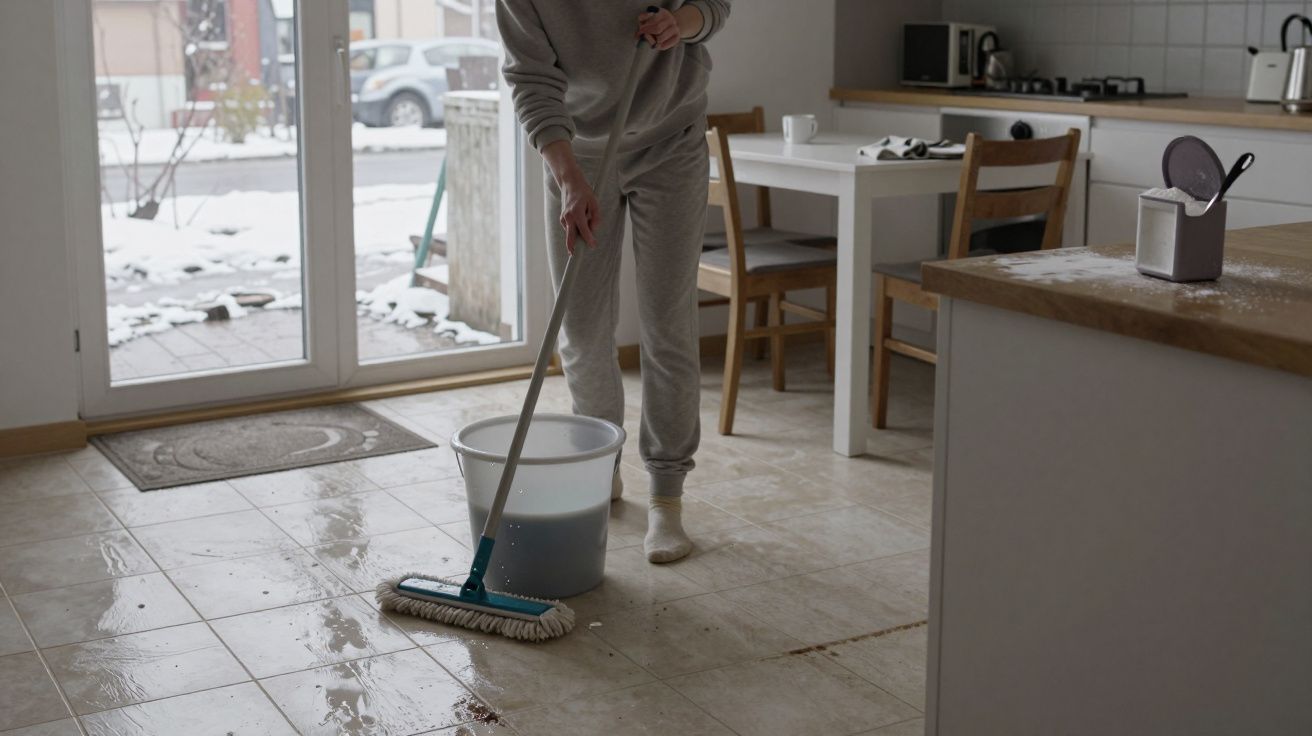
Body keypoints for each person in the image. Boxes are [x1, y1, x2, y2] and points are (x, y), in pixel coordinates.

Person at [497, 1, 730, 563]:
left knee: (666, 323)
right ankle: (603, 463)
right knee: (580, 327)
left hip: (670, 143)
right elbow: (531, 78)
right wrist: (568, 177)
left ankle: (666, 498)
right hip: (575, 153)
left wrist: (687, 21)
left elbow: (715, 6)